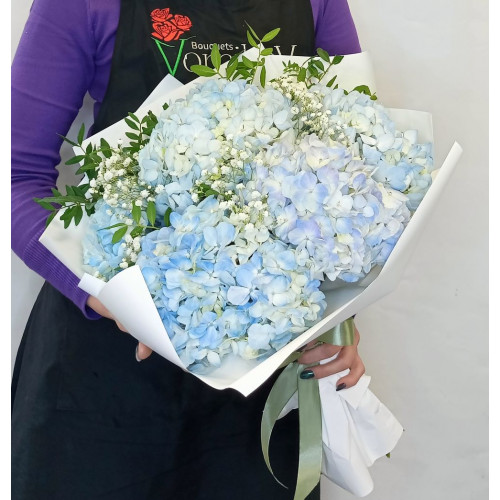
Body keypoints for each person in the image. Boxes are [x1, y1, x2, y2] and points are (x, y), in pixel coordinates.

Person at [11, 0, 365, 498]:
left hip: (258, 375)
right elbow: (18, 177)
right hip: (103, 379)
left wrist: (341, 317)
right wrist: (106, 297)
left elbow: (352, 168)